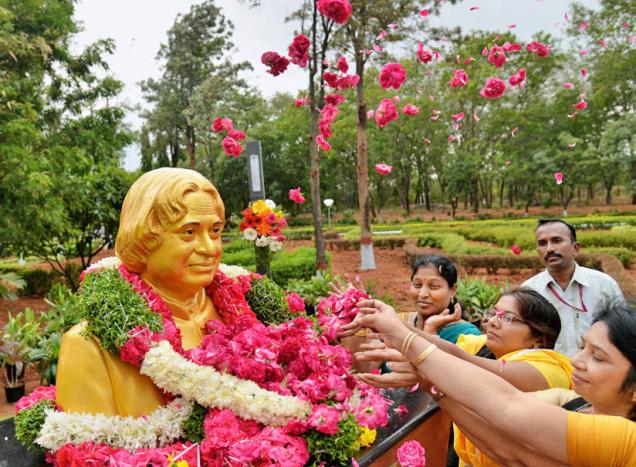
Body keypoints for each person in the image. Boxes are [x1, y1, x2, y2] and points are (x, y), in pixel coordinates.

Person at [345, 299, 636, 466]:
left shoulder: (627, 440)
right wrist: (428, 381)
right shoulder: (578, 401)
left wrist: (407, 338)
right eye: (583, 347)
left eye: (597, 357)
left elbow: (506, 404)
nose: (577, 360)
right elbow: (507, 449)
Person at [56, 168, 226, 416]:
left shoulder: (242, 311)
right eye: (189, 232)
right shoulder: (89, 347)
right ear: (143, 237)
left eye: (215, 231)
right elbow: (87, 450)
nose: (210, 248)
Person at [523, 218, 623, 357]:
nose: (550, 248)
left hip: (595, 370)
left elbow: (622, 331)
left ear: (575, 248)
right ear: (537, 251)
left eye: (557, 240)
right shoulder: (529, 291)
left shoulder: (603, 285)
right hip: (550, 372)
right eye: (542, 243)